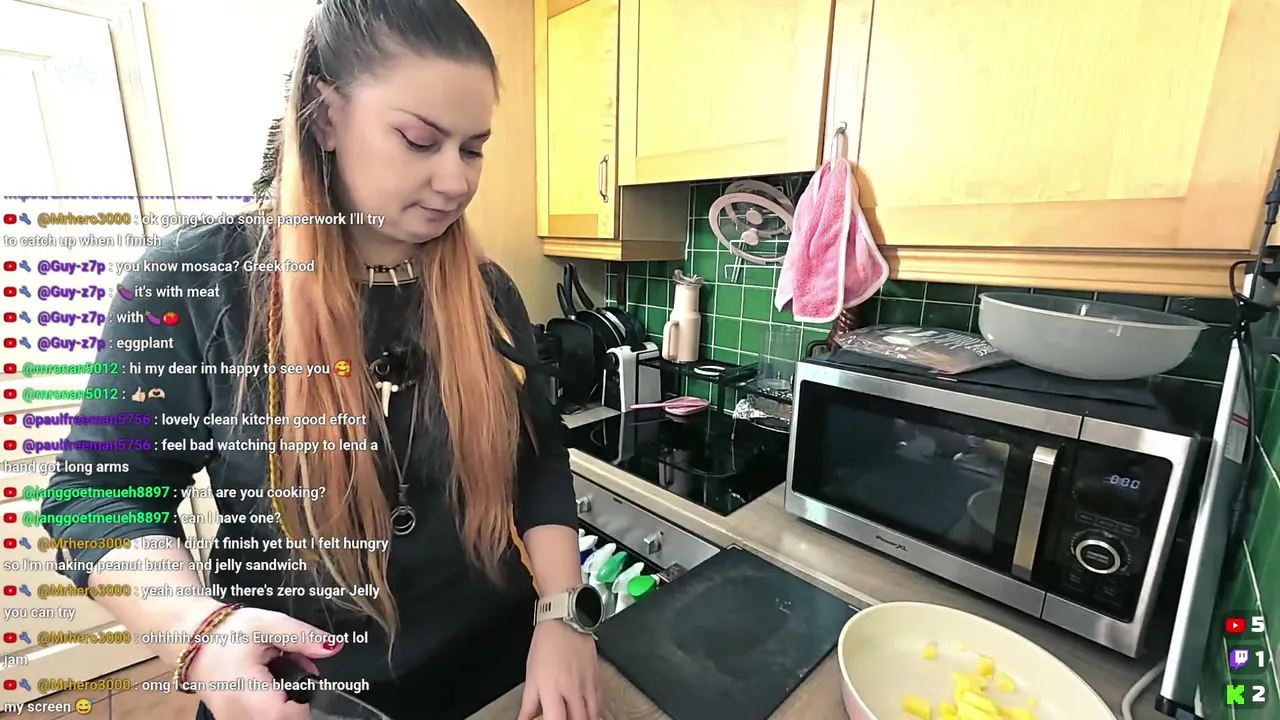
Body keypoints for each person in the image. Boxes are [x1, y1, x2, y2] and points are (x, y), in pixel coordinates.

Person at [41, 1, 600, 718]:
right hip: (297, 688)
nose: (457, 182)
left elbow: (537, 454)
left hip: (497, 671)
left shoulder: (489, 293)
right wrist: (200, 637)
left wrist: (562, 613)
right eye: (419, 140)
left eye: (473, 149)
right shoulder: (197, 282)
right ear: (326, 116)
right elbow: (98, 496)